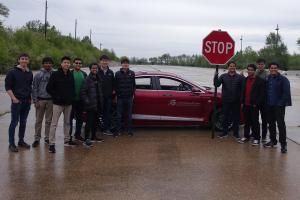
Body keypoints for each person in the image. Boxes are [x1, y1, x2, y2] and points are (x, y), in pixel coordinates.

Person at [46, 56, 76, 153]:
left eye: (68, 62)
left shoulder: (70, 74)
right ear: (61, 63)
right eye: (65, 62)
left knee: (67, 123)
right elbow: (49, 88)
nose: (67, 64)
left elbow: (72, 88)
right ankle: (51, 144)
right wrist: (56, 97)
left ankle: (67, 140)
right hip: (57, 104)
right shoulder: (55, 74)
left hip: (68, 103)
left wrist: (71, 97)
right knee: (54, 124)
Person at [5, 53, 33, 152]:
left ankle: (21, 141)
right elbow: (7, 87)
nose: (24, 60)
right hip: (17, 102)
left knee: (23, 122)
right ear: (19, 60)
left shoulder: (30, 73)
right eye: (22, 59)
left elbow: (29, 86)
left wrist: (30, 98)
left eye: (26, 59)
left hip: (27, 102)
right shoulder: (12, 72)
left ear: (28, 61)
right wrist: (14, 99)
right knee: (14, 122)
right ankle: (11, 144)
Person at [263, 62, 291, 153]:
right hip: (269, 105)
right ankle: (273, 141)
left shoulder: (283, 79)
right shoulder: (268, 78)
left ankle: (283, 144)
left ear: (278, 69)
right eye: (271, 68)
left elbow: (286, 93)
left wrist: (280, 103)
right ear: (269, 69)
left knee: (281, 125)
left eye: (275, 68)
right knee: (271, 124)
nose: (273, 69)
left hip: (279, 106)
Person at [214, 61, 244, 139]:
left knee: (236, 118)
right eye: (230, 66)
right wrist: (215, 76)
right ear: (228, 67)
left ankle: (236, 133)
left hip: (236, 101)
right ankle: (224, 132)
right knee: (225, 117)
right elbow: (216, 84)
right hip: (226, 100)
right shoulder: (223, 76)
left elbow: (243, 88)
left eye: (233, 66)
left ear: (235, 67)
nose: (232, 67)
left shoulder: (239, 77)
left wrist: (241, 100)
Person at [238, 64, 266, 146]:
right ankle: (246, 136)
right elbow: (243, 91)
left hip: (254, 105)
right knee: (246, 122)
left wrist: (256, 104)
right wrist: (242, 102)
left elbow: (262, 94)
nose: (250, 71)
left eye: (251, 70)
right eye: (248, 70)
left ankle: (257, 138)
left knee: (255, 122)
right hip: (246, 104)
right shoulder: (245, 79)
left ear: (255, 71)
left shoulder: (260, 81)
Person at [32, 57, 54, 147]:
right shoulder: (38, 75)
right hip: (40, 100)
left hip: (51, 101)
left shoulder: (54, 74)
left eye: (49, 63)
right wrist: (35, 100)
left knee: (49, 121)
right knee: (38, 121)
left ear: (52, 64)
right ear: (43, 64)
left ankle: (47, 138)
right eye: (46, 63)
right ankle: (37, 139)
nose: (48, 64)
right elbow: (34, 88)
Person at [81, 63, 104, 146]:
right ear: (90, 69)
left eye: (96, 68)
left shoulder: (98, 78)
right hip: (90, 105)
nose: (95, 69)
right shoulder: (87, 79)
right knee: (89, 122)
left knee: (96, 122)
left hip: (97, 104)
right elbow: (83, 93)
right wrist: (87, 102)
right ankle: (87, 138)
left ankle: (94, 137)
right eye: (93, 68)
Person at [114, 57, 136, 137]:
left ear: (128, 64)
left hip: (129, 97)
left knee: (129, 115)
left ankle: (129, 131)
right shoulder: (117, 74)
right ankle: (118, 131)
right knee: (119, 115)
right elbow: (115, 85)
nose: (125, 64)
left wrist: (133, 94)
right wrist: (116, 95)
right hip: (120, 98)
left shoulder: (132, 73)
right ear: (121, 64)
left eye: (127, 63)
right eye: (124, 63)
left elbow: (134, 85)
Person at [69, 58, 87, 142]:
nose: (78, 64)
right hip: (71, 100)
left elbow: (87, 87)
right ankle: (68, 135)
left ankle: (78, 134)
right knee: (69, 118)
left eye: (80, 63)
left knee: (80, 119)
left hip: (81, 100)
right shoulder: (69, 73)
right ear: (73, 64)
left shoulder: (84, 74)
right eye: (76, 63)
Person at [97, 55, 114, 136]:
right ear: (100, 61)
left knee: (107, 114)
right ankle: (95, 129)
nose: (105, 62)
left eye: (106, 61)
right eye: (103, 60)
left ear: (108, 62)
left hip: (108, 97)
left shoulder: (111, 72)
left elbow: (113, 85)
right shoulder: (96, 71)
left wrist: (112, 94)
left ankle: (106, 129)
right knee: (96, 113)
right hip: (98, 97)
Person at [255, 58, 269, 142]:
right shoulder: (255, 72)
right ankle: (254, 133)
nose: (260, 66)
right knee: (254, 118)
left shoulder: (267, 74)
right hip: (256, 100)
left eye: (262, 64)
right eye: (259, 64)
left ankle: (264, 136)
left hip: (264, 100)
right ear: (257, 65)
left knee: (264, 119)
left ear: (264, 65)